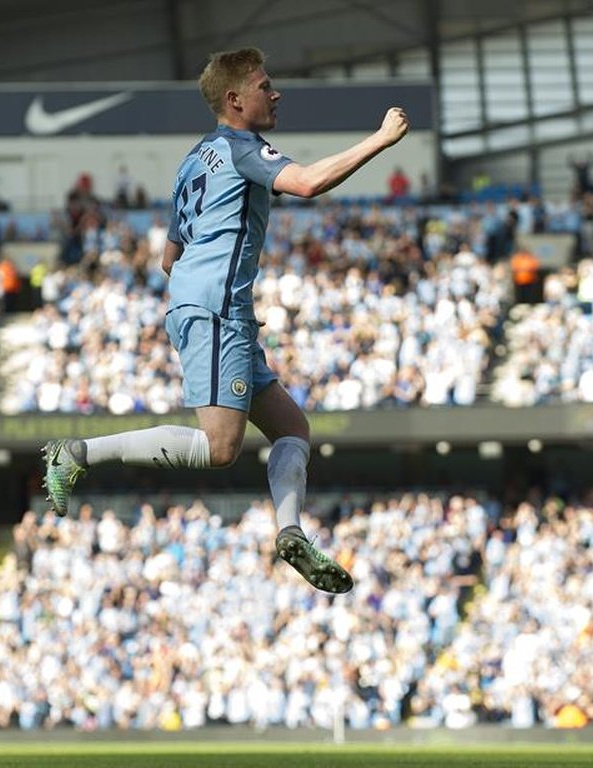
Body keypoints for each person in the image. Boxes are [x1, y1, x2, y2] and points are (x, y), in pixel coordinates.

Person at [43, 47, 409, 594]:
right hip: (217, 309)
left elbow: (170, 257)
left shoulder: (194, 160)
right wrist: (380, 139)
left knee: (292, 428)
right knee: (219, 448)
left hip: (215, 307)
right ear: (235, 100)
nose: (275, 92)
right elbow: (306, 183)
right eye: (265, 85)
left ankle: (290, 534)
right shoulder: (243, 149)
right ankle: (76, 454)